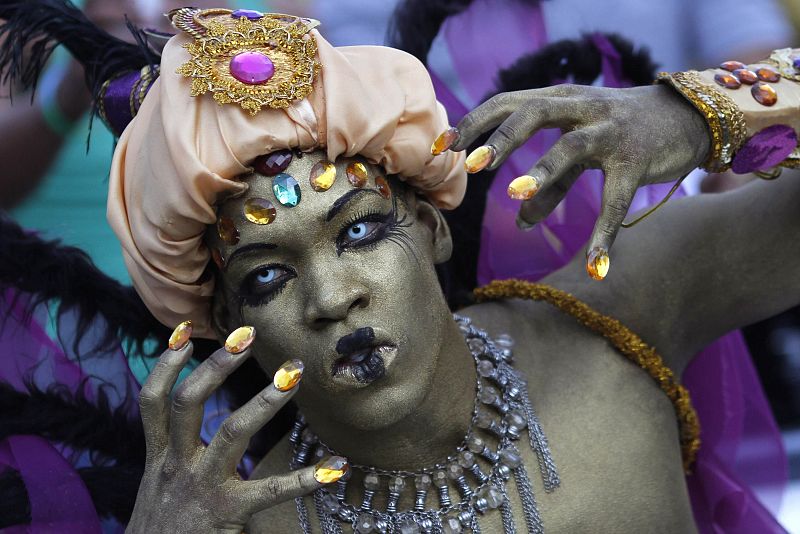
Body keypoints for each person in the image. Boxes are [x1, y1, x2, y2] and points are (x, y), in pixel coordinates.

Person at [0, 3, 798, 533]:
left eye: (358, 231)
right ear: (229, 327)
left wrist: (713, 109)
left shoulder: (617, 313)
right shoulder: (253, 525)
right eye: (267, 278)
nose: (333, 297)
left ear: (428, 226)